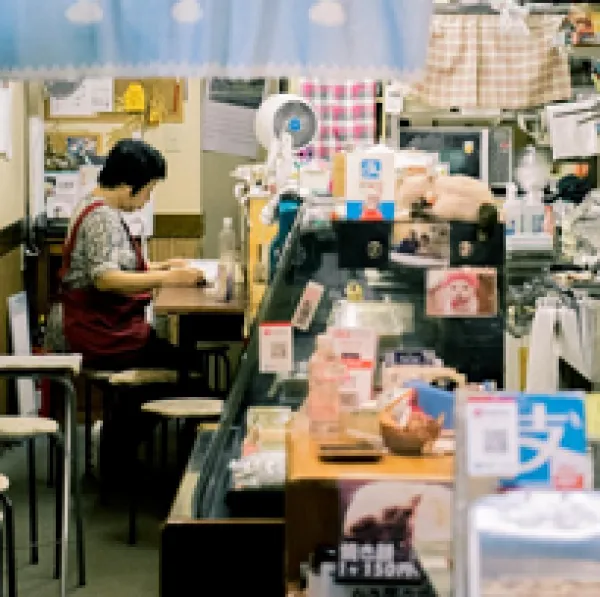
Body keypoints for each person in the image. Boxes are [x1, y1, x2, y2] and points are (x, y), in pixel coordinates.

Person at [46, 139, 204, 377]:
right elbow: (105, 278)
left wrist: (161, 266)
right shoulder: (101, 217)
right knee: (188, 367)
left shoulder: (93, 205)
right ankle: (140, 413)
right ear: (129, 187)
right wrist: (168, 278)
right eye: (148, 191)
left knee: (180, 358)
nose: (147, 199)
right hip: (96, 333)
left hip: (94, 326)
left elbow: (114, 262)